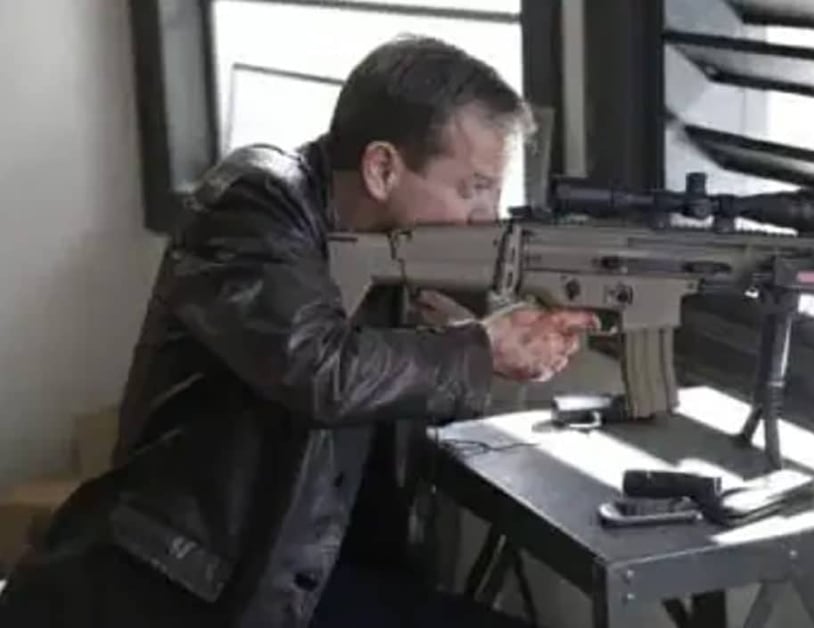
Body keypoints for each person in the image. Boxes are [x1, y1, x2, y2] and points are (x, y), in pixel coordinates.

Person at [0, 36, 595, 627]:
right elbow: (318, 367)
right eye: (474, 189)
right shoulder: (253, 201)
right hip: (197, 589)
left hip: (305, 572)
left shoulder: (392, 245)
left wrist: (502, 324)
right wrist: (482, 348)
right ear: (382, 168)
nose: (487, 217)